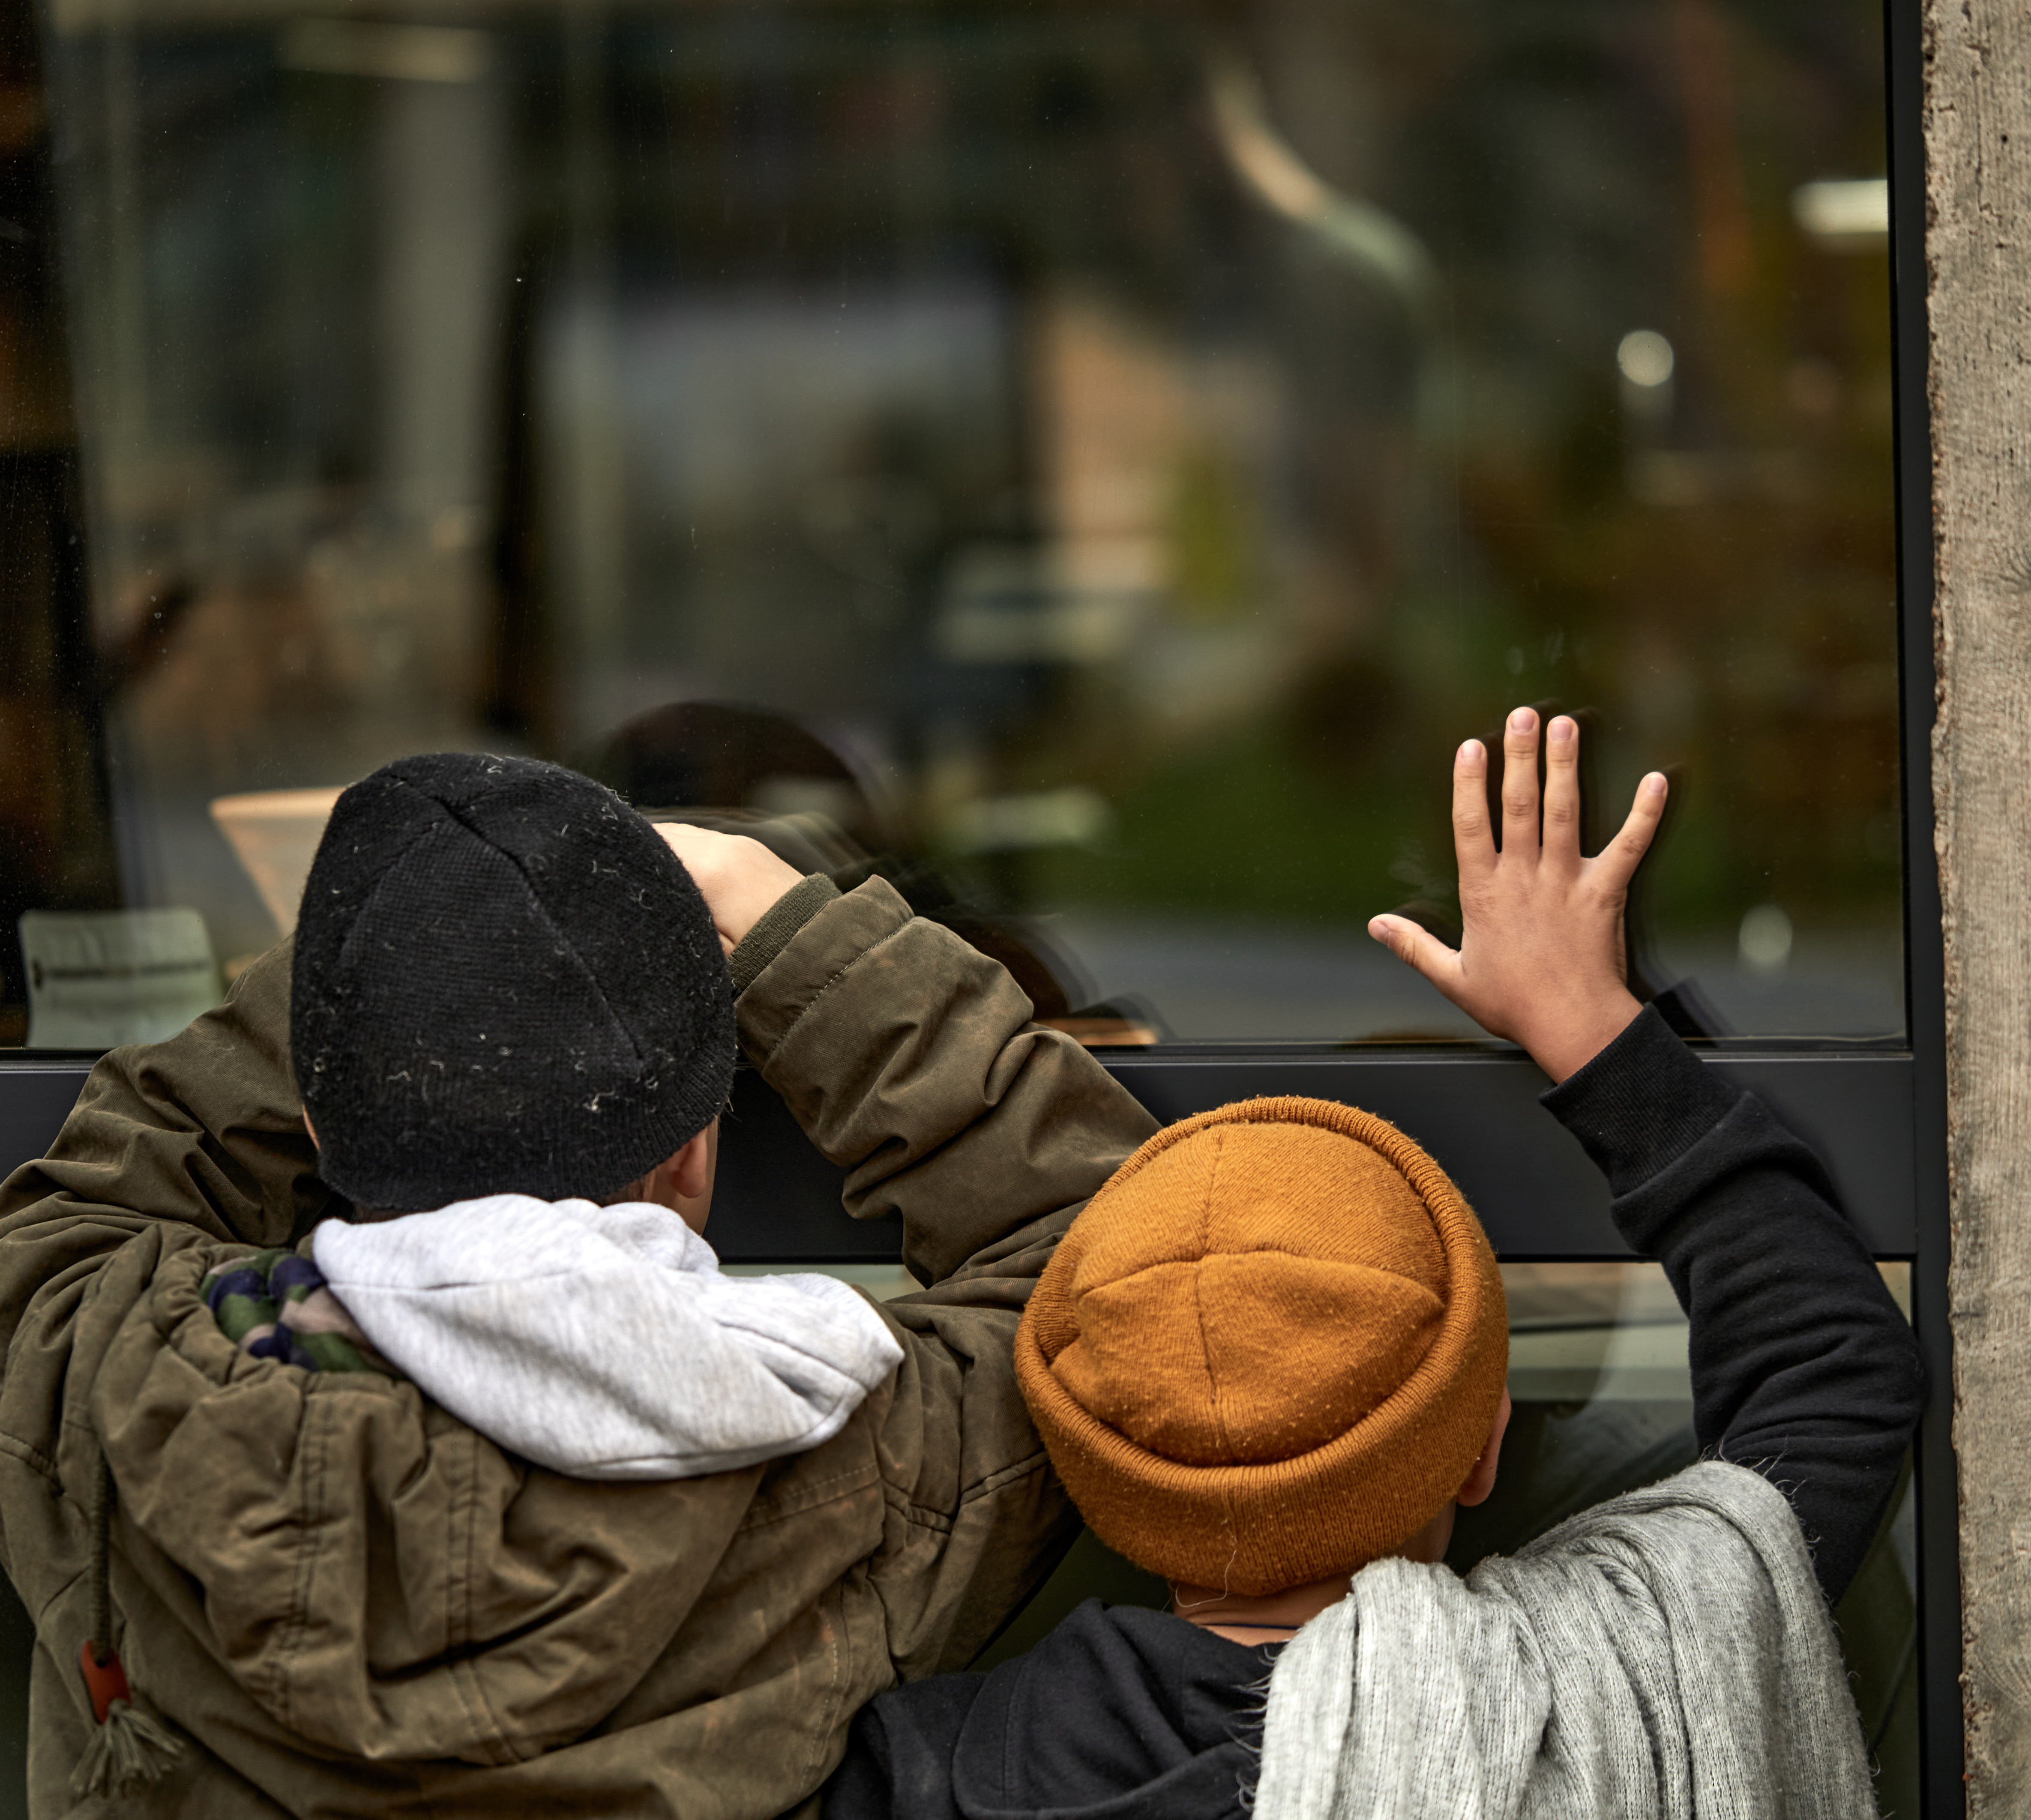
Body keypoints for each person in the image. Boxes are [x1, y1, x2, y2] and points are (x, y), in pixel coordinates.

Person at [0, 750, 1159, 1817]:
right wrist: (806, 947)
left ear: (317, 1121)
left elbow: (90, 1200)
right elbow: (1098, 1258)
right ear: (689, 1157)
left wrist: (400, 935)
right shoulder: (870, 1471)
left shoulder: (109, 1389)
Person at [821, 708, 1926, 1820]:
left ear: (1097, 1489)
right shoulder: (1625, 1671)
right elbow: (1832, 1373)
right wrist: (1592, 1027)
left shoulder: (916, 1769)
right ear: (1487, 1444)